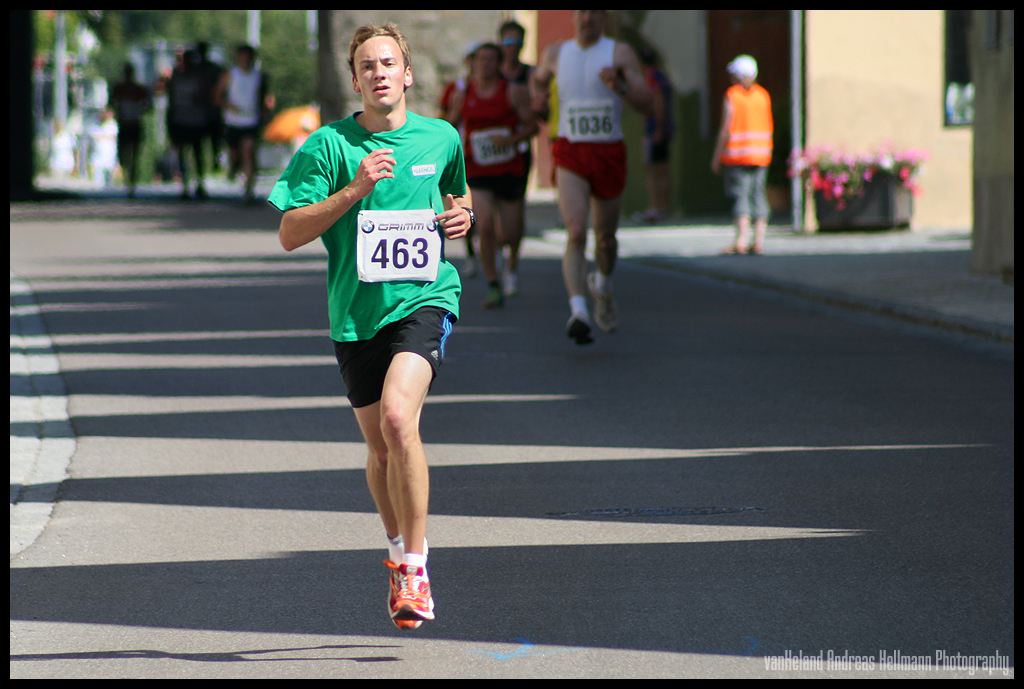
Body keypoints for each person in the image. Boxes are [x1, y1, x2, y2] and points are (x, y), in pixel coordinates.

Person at [269, 22, 474, 630]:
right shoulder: (328, 147)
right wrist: (355, 189)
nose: (379, 72)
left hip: (424, 299)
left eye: (389, 62)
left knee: (396, 417)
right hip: (356, 317)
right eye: (367, 66)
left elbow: (458, 199)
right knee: (379, 447)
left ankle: (416, 563)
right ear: (355, 81)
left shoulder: (440, 138)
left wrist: (462, 219)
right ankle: (393, 554)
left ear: (406, 74)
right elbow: (289, 233)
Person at [532, 10, 653, 344]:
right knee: (575, 230)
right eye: (581, 12)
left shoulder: (620, 53)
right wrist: (539, 100)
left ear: (603, 18)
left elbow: (648, 104)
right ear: (574, 17)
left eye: (594, 13)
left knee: (605, 240)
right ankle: (578, 311)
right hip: (571, 151)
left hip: (608, 152)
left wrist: (621, 85)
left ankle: (603, 284)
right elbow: (538, 82)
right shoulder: (556, 53)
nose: (587, 18)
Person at [446, 42, 537, 308]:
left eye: (490, 59)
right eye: (481, 59)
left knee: (509, 232)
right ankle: (493, 283)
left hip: (508, 169)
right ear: (473, 63)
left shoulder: (514, 92)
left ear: (499, 63)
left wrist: (510, 140)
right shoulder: (463, 94)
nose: (485, 64)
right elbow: (451, 125)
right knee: (483, 225)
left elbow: (532, 126)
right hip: (476, 169)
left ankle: (511, 267)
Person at [711, 54, 773, 255]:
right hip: (761, 156)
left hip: (737, 157)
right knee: (758, 195)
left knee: (741, 198)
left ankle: (740, 241)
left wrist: (716, 156)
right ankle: (759, 241)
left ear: (737, 76)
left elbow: (725, 128)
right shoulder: (763, 95)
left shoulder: (732, 95)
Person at [438, 42, 481, 278]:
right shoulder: (457, 88)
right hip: (465, 156)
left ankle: (499, 257)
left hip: (494, 161)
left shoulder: (504, 86)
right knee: (468, 206)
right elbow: (445, 121)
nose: (480, 64)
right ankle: (472, 253)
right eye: (475, 58)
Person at [216, 44, 273, 204]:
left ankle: (248, 190)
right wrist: (228, 106)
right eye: (242, 57)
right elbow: (217, 95)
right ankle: (234, 165)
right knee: (235, 155)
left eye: (248, 58)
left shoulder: (258, 76)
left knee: (248, 152)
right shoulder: (230, 74)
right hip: (233, 121)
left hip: (251, 120)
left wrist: (263, 111)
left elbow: (263, 96)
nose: (245, 61)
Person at [634, 47, 673, 224]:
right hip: (663, 129)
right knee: (661, 169)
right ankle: (661, 208)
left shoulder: (651, 77)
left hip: (654, 130)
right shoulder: (663, 76)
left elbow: (659, 101)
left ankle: (655, 208)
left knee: (652, 169)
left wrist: (657, 127)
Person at [167, 49, 209, 199]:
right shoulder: (175, 77)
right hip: (180, 119)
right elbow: (170, 99)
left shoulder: (200, 77)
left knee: (198, 153)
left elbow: (206, 95)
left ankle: (200, 183)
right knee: (182, 153)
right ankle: (185, 185)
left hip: (196, 119)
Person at [109, 62, 151, 198]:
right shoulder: (119, 88)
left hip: (135, 124)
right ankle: (127, 175)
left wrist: (139, 109)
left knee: (134, 154)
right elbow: (111, 102)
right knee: (123, 153)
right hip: (124, 124)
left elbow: (148, 105)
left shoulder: (139, 89)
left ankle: (131, 182)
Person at [195, 42, 225, 173]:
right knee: (202, 140)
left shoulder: (213, 69)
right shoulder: (199, 70)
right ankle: (206, 163)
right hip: (200, 111)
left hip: (211, 110)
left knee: (214, 138)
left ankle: (215, 158)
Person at [89, 107, 119, 187]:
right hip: (97, 160)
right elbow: (94, 139)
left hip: (110, 160)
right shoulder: (95, 125)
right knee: (98, 184)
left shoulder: (112, 125)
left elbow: (113, 140)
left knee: (110, 184)